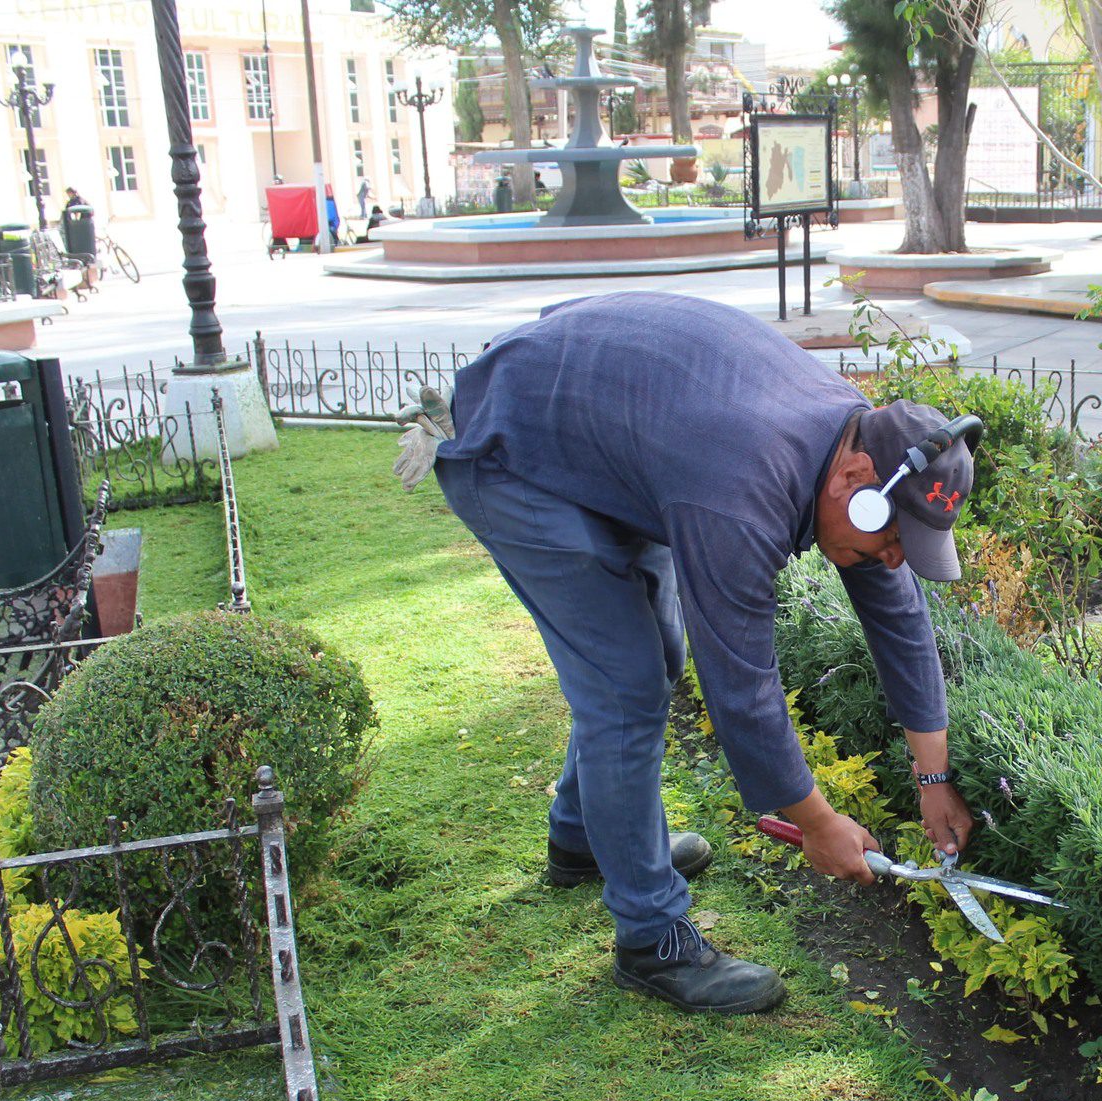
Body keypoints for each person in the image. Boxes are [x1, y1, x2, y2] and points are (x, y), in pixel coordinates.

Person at [392, 294, 980, 1015]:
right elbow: (742, 689)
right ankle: (651, 936)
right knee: (625, 685)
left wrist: (934, 774)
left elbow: (897, 612)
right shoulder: (743, 491)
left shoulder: (860, 448)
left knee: (656, 653)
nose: (892, 560)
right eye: (891, 540)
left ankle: (583, 837)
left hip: (606, 440)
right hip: (516, 457)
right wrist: (818, 824)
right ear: (853, 483)